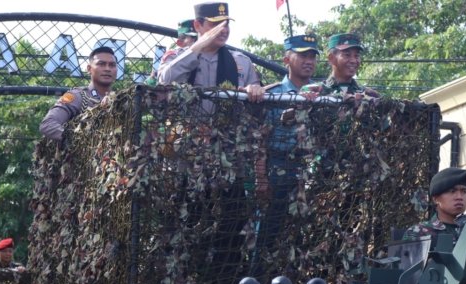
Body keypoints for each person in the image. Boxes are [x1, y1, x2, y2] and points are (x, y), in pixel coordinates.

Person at [254, 34, 321, 257]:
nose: (309, 61)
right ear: (286, 60)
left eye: (312, 56)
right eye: (302, 55)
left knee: (302, 235)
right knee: (268, 230)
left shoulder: (323, 94)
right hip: (278, 167)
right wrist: (261, 177)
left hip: (311, 171)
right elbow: (260, 139)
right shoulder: (272, 94)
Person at [156, 2, 264, 102]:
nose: (224, 30)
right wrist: (197, 47)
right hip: (187, 122)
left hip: (228, 123)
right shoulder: (175, 56)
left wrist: (254, 90)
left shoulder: (242, 61)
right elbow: (165, 82)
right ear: (198, 25)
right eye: (216, 25)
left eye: (226, 24)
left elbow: (256, 109)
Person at [39, 46, 117, 141]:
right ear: (89, 69)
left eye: (112, 65)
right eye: (101, 64)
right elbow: (48, 124)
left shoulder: (121, 100)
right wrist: (78, 141)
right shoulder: (76, 96)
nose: (107, 69)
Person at [403, 167, 466, 242]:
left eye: (464, 191)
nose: (459, 197)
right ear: (435, 199)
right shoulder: (419, 233)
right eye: (452, 191)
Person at [312, 33, 379, 98]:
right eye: (347, 55)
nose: (353, 60)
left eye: (356, 56)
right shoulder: (314, 92)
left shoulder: (369, 95)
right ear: (331, 58)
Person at [145, 20, 199, 86]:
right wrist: (190, 52)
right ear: (180, 42)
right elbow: (165, 80)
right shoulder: (173, 55)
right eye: (194, 38)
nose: (198, 41)